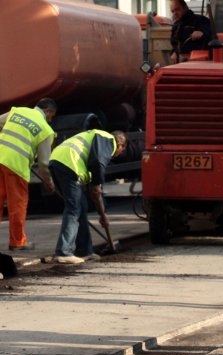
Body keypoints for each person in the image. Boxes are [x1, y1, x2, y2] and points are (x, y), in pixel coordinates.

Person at [49, 129, 128, 265]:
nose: (118, 154)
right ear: (120, 144)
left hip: (58, 160)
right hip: (69, 163)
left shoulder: (93, 141)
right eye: (121, 151)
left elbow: (94, 192)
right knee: (74, 209)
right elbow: (98, 162)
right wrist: (97, 183)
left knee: (81, 206)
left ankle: (85, 250)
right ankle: (63, 252)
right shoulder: (108, 140)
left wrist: (102, 213)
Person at [0, 98, 57, 250]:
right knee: (17, 205)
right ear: (48, 111)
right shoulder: (46, 130)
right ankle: (17, 242)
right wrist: (49, 183)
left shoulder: (17, 111)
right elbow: (44, 164)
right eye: (51, 117)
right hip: (16, 166)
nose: (50, 120)